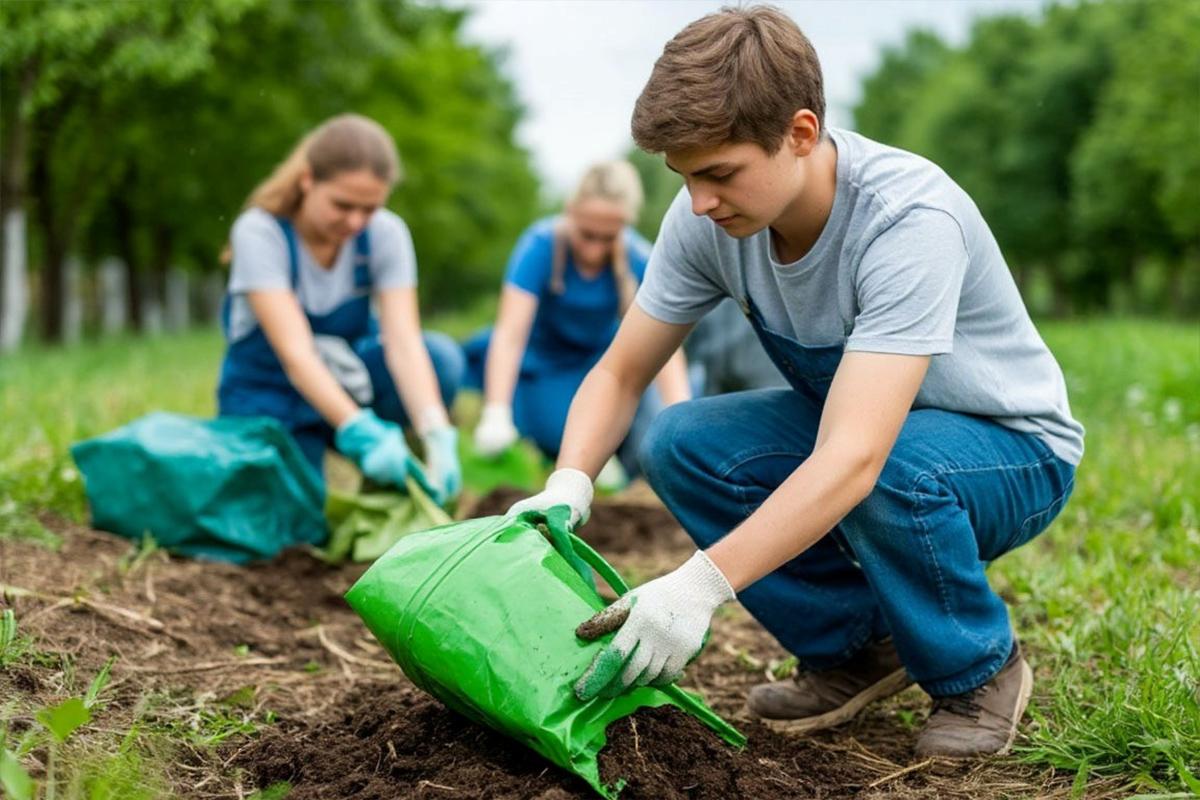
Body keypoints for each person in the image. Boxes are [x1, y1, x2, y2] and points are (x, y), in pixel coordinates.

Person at [506, 6, 1083, 758]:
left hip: (1008, 453)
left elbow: (854, 458)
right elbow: (621, 372)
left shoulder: (906, 218)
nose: (700, 202)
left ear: (801, 134)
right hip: (870, 441)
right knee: (679, 440)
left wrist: (699, 586)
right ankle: (854, 650)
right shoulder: (704, 219)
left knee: (884, 471)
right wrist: (569, 481)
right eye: (683, 178)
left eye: (719, 174)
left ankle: (979, 670)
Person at [217, 113, 463, 505]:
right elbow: (297, 355)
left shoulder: (385, 234)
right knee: (294, 519)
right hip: (269, 394)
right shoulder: (260, 232)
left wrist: (436, 429)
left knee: (442, 360)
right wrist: (359, 431)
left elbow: (404, 343)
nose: (355, 221)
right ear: (308, 180)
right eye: (342, 205)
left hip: (349, 379)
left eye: (369, 209)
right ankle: (347, 457)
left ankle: (403, 471)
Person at [464, 161, 690, 481]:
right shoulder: (541, 245)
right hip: (542, 361)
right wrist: (495, 411)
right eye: (587, 235)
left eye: (608, 237)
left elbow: (665, 345)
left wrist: (679, 418)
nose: (595, 250)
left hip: (598, 363)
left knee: (641, 425)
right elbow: (510, 334)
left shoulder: (639, 257)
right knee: (561, 434)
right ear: (570, 211)